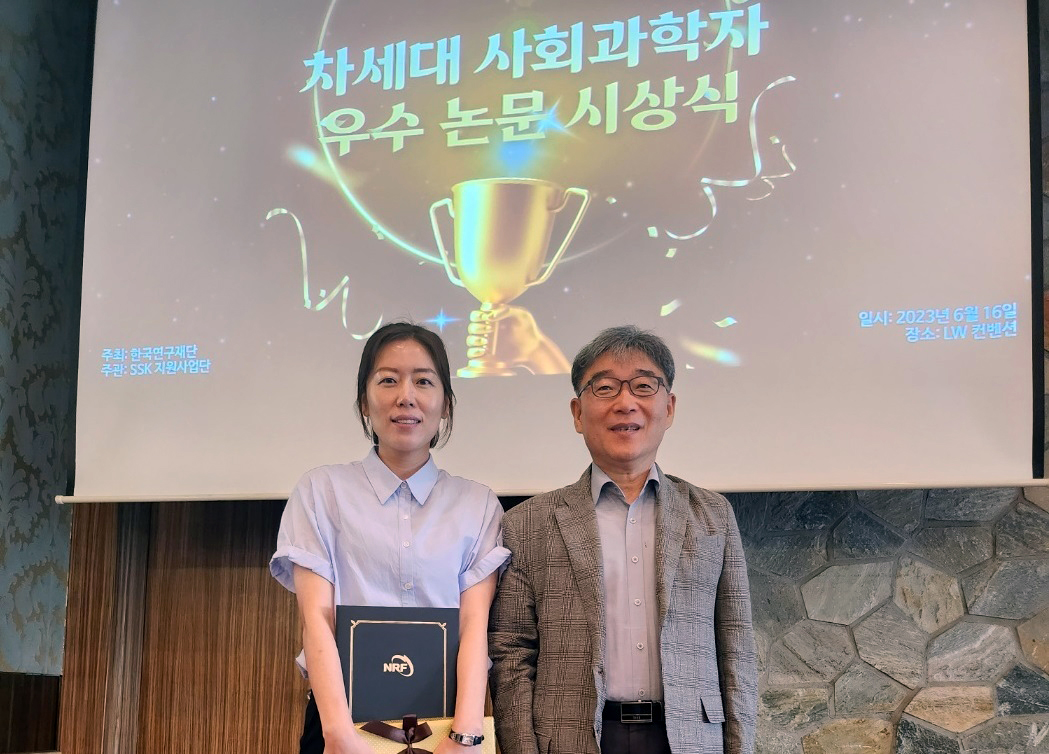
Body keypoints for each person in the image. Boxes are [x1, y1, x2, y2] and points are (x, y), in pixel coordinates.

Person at [488, 325, 757, 754]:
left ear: (669, 407)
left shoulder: (713, 516)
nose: (625, 402)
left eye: (644, 386)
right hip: (571, 740)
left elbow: (737, 647)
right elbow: (512, 653)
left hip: (689, 739)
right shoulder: (527, 523)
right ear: (578, 413)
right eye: (605, 388)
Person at [271, 322, 509, 754]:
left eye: (424, 381)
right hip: (340, 722)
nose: (406, 396)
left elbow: (474, 625)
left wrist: (466, 735)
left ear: (446, 405)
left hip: (448, 723)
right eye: (388, 380)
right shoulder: (321, 491)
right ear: (364, 402)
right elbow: (317, 619)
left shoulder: (477, 504)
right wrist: (339, 734)